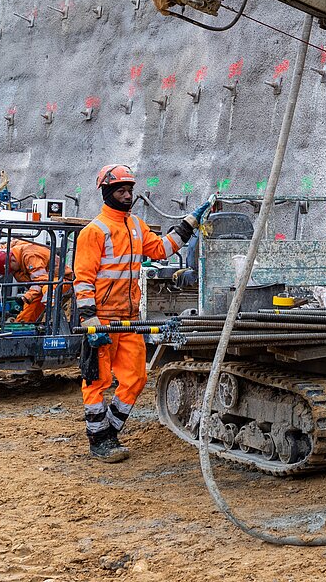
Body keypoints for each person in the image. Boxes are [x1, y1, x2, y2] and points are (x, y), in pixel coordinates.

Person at [74, 163, 213, 463]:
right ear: (107, 193)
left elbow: (162, 249)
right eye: (121, 191)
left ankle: (108, 432)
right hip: (103, 321)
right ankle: (99, 442)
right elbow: (83, 278)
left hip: (130, 320)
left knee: (136, 377)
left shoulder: (136, 226)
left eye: (130, 191)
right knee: (96, 381)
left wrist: (189, 223)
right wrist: (90, 320)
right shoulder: (94, 232)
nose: (127, 196)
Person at [0, 239, 73, 323]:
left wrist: (25, 298)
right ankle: (21, 326)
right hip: (43, 282)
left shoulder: (30, 256)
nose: (12, 272)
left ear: (12, 260)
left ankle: (55, 319)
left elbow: (41, 281)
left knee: (47, 290)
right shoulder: (12, 249)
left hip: (61, 279)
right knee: (29, 308)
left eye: (11, 269)